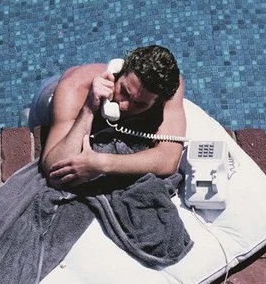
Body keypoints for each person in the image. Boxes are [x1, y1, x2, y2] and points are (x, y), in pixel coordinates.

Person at [36, 45, 186, 188]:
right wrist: (88, 108)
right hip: (48, 97)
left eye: (140, 104)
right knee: (32, 115)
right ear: (119, 71)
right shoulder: (75, 87)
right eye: (124, 91)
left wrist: (102, 163)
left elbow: (168, 160)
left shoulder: (166, 89)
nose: (124, 106)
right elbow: (54, 168)